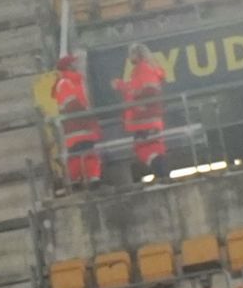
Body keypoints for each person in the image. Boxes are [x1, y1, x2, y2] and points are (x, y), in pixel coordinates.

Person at [114, 42, 167, 180]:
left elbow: (146, 91)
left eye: (131, 54)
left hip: (143, 120)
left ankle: (162, 176)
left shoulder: (142, 69)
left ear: (137, 54)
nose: (129, 57)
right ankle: (162, 177)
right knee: (153, 149)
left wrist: (121, 86)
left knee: (143, 149)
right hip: (149, 119)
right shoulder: (148, 69)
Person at [52, 51, 103, 185]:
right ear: (68, 66)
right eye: (74, 63)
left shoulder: (75, 81)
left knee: (87, 153)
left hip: (82, 126)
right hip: (76, 126)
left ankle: (91, 178)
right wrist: (87, 113)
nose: (77, 65)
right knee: (77, 155)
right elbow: (71, 104)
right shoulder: (65, 83)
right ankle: (77, 180)